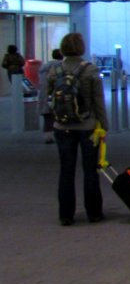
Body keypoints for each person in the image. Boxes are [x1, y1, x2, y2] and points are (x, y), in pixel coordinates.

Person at [46, 33, 108, 226]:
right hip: (87, 126)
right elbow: (98, 101)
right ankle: (94, 213)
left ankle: (66, 215)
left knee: (66, 171)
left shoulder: (54, 70)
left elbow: (49, 98)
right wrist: (104, 125)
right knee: (90, 170)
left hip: (61, 126)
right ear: (81, 48)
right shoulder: (90, 70)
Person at [37, 48, 63, 144]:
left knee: (47, 117)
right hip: (57, 94)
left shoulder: (44, 67)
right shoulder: (61, 66)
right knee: (59, 116)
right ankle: (59, 135)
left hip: (44, 94)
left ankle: (48, 136)